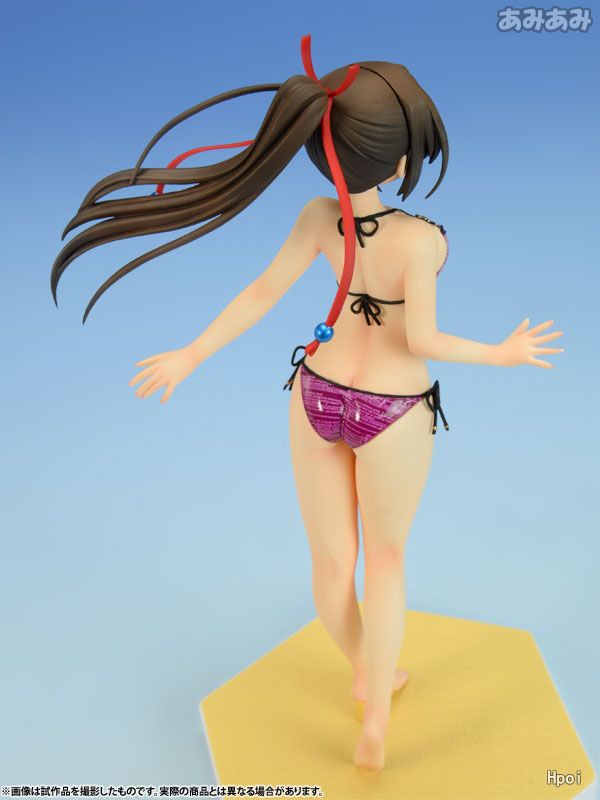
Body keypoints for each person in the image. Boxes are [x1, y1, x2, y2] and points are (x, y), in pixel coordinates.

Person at [51, 33, 564, 771]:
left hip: (315, 393)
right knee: (386, 562)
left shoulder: (318, 217)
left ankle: (365, 668)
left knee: (330, 565)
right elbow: (420, 337)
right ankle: (376, 717)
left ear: (322, 151)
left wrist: (192, 352)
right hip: (392, 412)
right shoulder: (421, 241)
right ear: (397, 160)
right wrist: (500, 353)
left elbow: (262, 293)